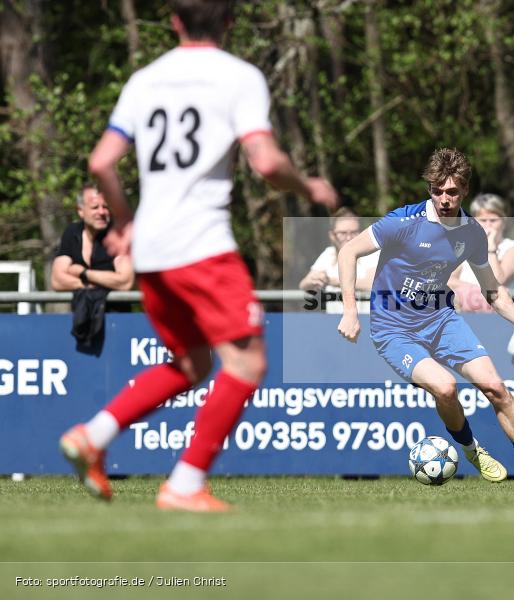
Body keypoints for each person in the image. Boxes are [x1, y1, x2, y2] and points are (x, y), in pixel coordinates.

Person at [59, 0, 337, 512]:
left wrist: (125, 222)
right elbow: (266, 160)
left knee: (190, 363)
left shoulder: (145, 80)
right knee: (248, 361)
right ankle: (185, 484)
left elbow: (101, 161)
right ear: (229, 22)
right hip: (202, 245)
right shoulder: (239, 77)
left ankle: (92, 436)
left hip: (152, 251)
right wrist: (309, 186)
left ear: (174, 21)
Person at [336, 148, 514, 490]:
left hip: (442, 320)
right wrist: (350, 310)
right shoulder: (402, 223)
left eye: (451, 191)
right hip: (394, 330)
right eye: (437, 190)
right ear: (429, 189)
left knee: (496, 388)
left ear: (464, 191)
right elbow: (348, 252)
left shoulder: (472, 234)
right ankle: (471, 449)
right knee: (446, 386)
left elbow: (493, 291)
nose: (443, 198)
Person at [447, 193, 514, 312]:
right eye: (483, 220)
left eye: (493, 220)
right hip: (470, 315)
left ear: (504, 222)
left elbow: (497, 281)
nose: (488, 225)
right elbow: (448, 280)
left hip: (505, 319)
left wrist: (490, 247)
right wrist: (473, 291)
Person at [50, 185, 134, 295]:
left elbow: (125, 282)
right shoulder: (72, 232)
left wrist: (83, 273)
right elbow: (57, 281)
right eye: (95, 207)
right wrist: (93, 285)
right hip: (82, 311)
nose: (102, 212)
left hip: (114, 311)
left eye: (105, 207)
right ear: (80, 211)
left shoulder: (117, 235)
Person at [299, 207, 378, 313]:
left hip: (368, 323)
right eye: (343, 233)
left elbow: (372, 284)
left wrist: (332, 281)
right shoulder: (329, 254)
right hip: (335, 323)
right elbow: (303, 284)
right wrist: (315, 279)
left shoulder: (371, 253)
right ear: (332, 235)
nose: (349, 237)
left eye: (354, 232)